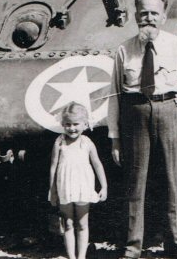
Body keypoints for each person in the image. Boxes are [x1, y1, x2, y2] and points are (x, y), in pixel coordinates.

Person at [108, 0, 177, 259]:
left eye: (154, 13)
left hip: (170, 111)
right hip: (135, 113)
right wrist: (114, 138)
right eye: (144, 13)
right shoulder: (124, 49)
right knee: (136, 182)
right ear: (135, 17)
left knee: (170, 180)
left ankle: (175, 245)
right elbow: (114, 96)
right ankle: (132, 247)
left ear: (164, 17)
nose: (149, 18)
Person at [49, 103, 108, 259]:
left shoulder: (87, 142)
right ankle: (71, 257)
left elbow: (97, 164)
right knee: (67, 224)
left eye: (76, 124)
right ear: (62, 124)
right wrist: (52, 190)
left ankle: (81, 256)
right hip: (65, 187)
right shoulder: (59, 142)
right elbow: (53, 167)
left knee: (82, 224)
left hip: (83, 187)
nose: (72, 128)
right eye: (67, 124)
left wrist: (104, 186)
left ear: (85, 124)